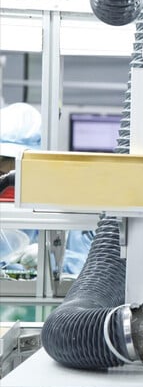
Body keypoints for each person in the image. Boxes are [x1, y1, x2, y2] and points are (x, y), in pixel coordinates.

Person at [0, 102, 93, 277]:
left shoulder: (70, 205)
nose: (9, 182)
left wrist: (56, 259)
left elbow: (99, 270)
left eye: (21, 173)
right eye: (2, 175)